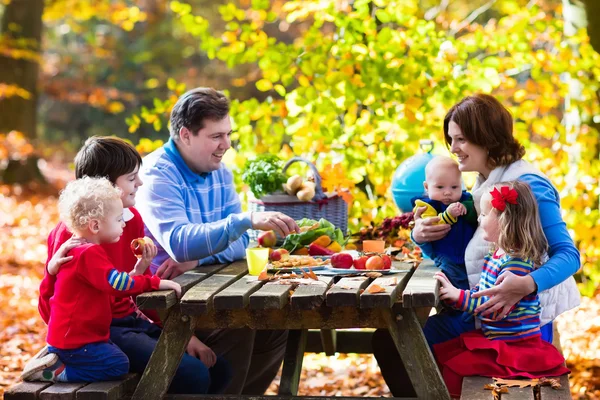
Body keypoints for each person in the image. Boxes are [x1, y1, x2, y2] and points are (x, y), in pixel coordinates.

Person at [372, 93, 580, 397]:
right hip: (483, 309)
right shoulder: (481, 182)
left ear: (488, 138)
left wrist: (527, 284)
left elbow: (569, 255)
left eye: (461, 139)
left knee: (398, 341)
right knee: (395, 339)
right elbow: (469, 250)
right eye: (451, 139)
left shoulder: (526, 184)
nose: (453, 148)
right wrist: (422, 235)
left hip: (515, 326)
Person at [32, 136, 231, 394]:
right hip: (100, 332)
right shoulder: (72, 238)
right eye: (131, 178)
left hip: (132, 319)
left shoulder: (129, 219)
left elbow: (139, 290)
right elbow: (52, 306)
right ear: (104, 187)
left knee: (220, 368)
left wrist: (185, 336)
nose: (140, 183)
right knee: (191, 374)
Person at [136, 87, 298, 394]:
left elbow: (243, 243)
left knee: (278, 322)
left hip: (205, 285)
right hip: (162, 302)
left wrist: (200, 257)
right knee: (239, 323)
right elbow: (180, 243)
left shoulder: (220, 173)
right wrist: (241, 222)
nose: (226, 144)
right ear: (185, 135)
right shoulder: (158, 175)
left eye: (228, 134)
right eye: (216, 137)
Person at [23, 177, 181, 383]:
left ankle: (57, 362)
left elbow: (112, 285)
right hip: (76, 342)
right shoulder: (89, 253)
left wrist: (139, 270)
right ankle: (57, 371)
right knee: (118, 365)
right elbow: (117, 284)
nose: (124, 223)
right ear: (95, 225)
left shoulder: (83, 251)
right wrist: (155, 282)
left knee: (121, 358)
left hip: (79, 338)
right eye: (118, 219)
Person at [434, 181, 570, 397]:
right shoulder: (497, 255)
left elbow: (490, 306)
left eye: (485, 215)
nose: (479, 219)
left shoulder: (515, 263)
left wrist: (457, 295)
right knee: (447, 354)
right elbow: (481, 290)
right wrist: (453, 296)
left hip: (514, 347)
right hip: (497, 339)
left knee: (454, 368)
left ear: (504, 220)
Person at [412, 156, 477, 290]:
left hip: (470, 256)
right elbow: (433, 226)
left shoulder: (466, 199)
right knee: (452, 281)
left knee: (472, 284)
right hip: (446, 256)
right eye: (440, 187)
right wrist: (449, 214)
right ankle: (456, 306)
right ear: (426, 187)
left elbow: (476, 215)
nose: (447, 192)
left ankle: (467, 304)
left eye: (454, 186)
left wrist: (467, 208)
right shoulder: (426, 206)